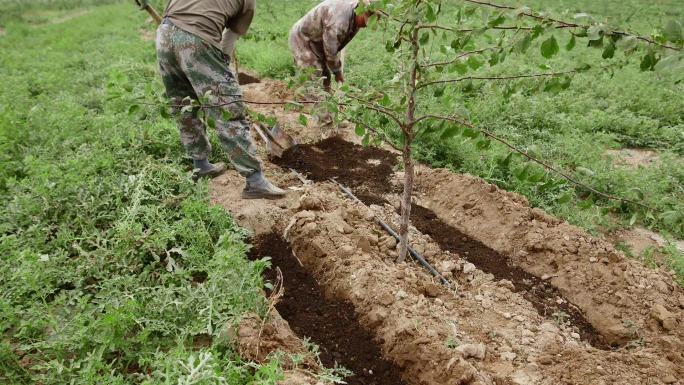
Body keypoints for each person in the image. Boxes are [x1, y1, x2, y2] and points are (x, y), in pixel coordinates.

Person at [156, 0, 286, 199]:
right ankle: (255, 181)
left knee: (184, 104)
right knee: (228, 107)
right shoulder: (248, 3)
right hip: (196, 37)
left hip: (164, 34)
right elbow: (228, 41)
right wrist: (221, 73)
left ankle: (200, 165)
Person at [289, 0, 374, 91]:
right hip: (303, 39)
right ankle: (309, 102)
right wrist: (337, 71)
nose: (367, 24)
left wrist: (335, 70)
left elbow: (339, 43)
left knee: (325, 77)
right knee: (313, 79)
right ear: (360, 9)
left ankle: (324, 102)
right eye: (368, 16)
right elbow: (331, 50)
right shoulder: (338, 21)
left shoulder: (354, 17)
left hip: (318, 40)